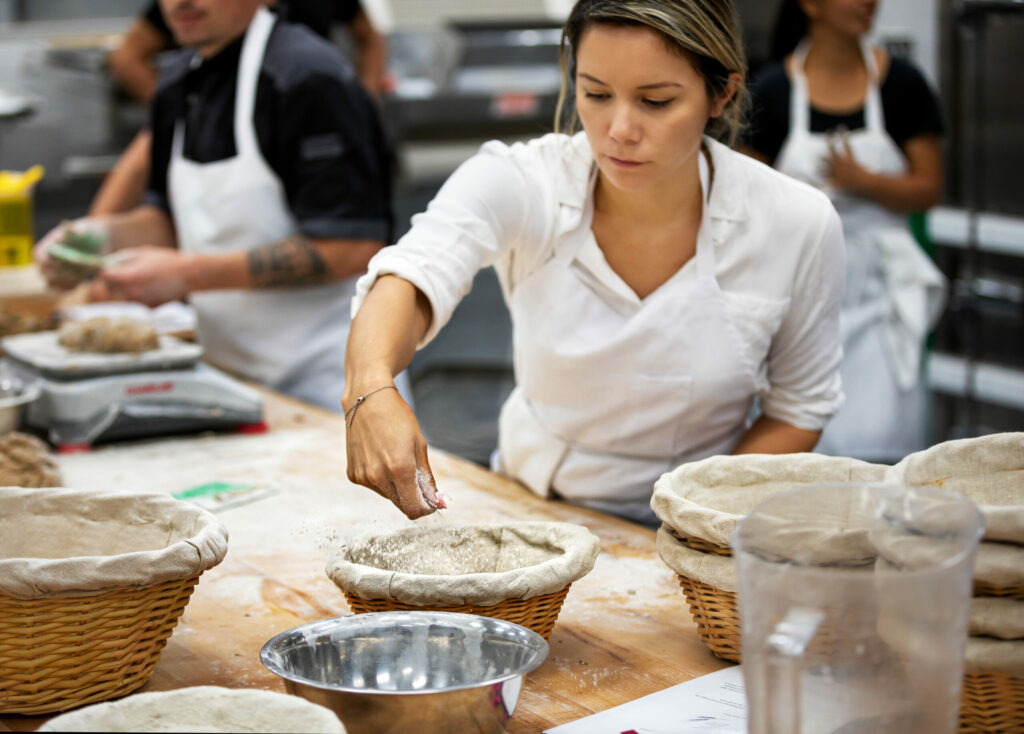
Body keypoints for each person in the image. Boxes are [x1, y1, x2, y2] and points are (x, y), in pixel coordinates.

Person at [342, 0, 846, 523]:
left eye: (655, 101)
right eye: (596, 94)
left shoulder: (795, 223)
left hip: (699, 522)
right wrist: (372, 388)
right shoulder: (526, 181)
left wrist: (697, 517)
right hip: (532, 509)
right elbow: (412, 275)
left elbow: (798, 409)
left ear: (722, 94)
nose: (619, 129)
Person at [35, 0, 393, 412]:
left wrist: (185, 274)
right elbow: (174, 219)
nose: (181, 2)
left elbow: (353, 246)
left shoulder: (307, 78)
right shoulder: (177, 83)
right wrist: (97, 239)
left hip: (335, 382)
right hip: (233, 380)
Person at [744, 0, 946, 463]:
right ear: (810, 4)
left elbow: (929, 187)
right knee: (800, 440)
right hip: (799, 292)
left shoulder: (902, 85)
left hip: (882, 298)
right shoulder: (772, 90)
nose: (869, 2)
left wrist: (866, 184)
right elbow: (746, 197)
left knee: (886, 444)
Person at [93, 0, 387, 216]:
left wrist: (366, 102)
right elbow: (126, 58)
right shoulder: (182, 77)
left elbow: (349, 245)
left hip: (309, 118)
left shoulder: (311, 76)